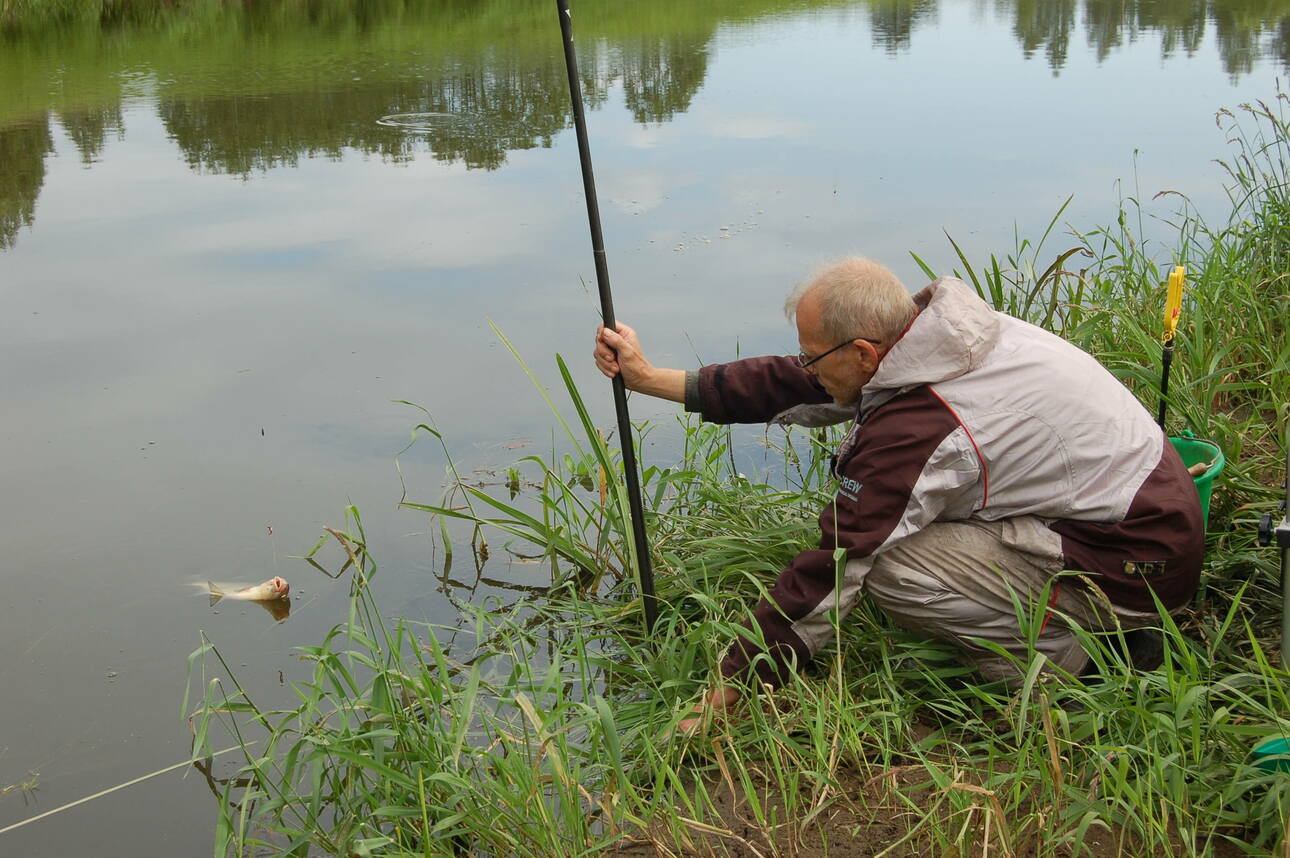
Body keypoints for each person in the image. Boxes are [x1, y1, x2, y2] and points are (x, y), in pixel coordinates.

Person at [593, 257, 1204, 729]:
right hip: (1140, 516)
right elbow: (795, 381)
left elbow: (838, 561)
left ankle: (1080, 668)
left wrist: (731, 685)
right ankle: (1072, 630)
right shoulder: (936, 339)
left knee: (888, 567)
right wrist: (650, 379)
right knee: (896, 534)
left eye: (814, 356)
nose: (805, 368)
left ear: (864, 351)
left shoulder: (925, 421)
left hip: (1133, 562)